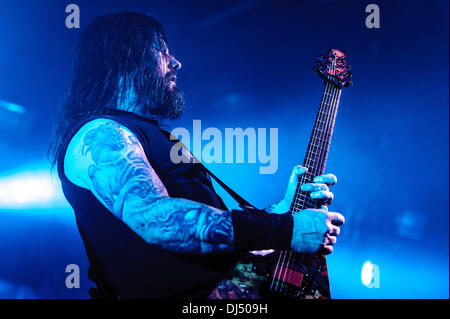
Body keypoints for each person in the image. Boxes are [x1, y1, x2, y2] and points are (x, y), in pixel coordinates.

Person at [49, 12, 345, 299]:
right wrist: (287, 229)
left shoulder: (155, 136)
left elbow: (213, 235)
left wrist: (279, 213)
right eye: (162, 51)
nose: (176, 62)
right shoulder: (99, 134)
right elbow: (155, 219)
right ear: (126, 55)